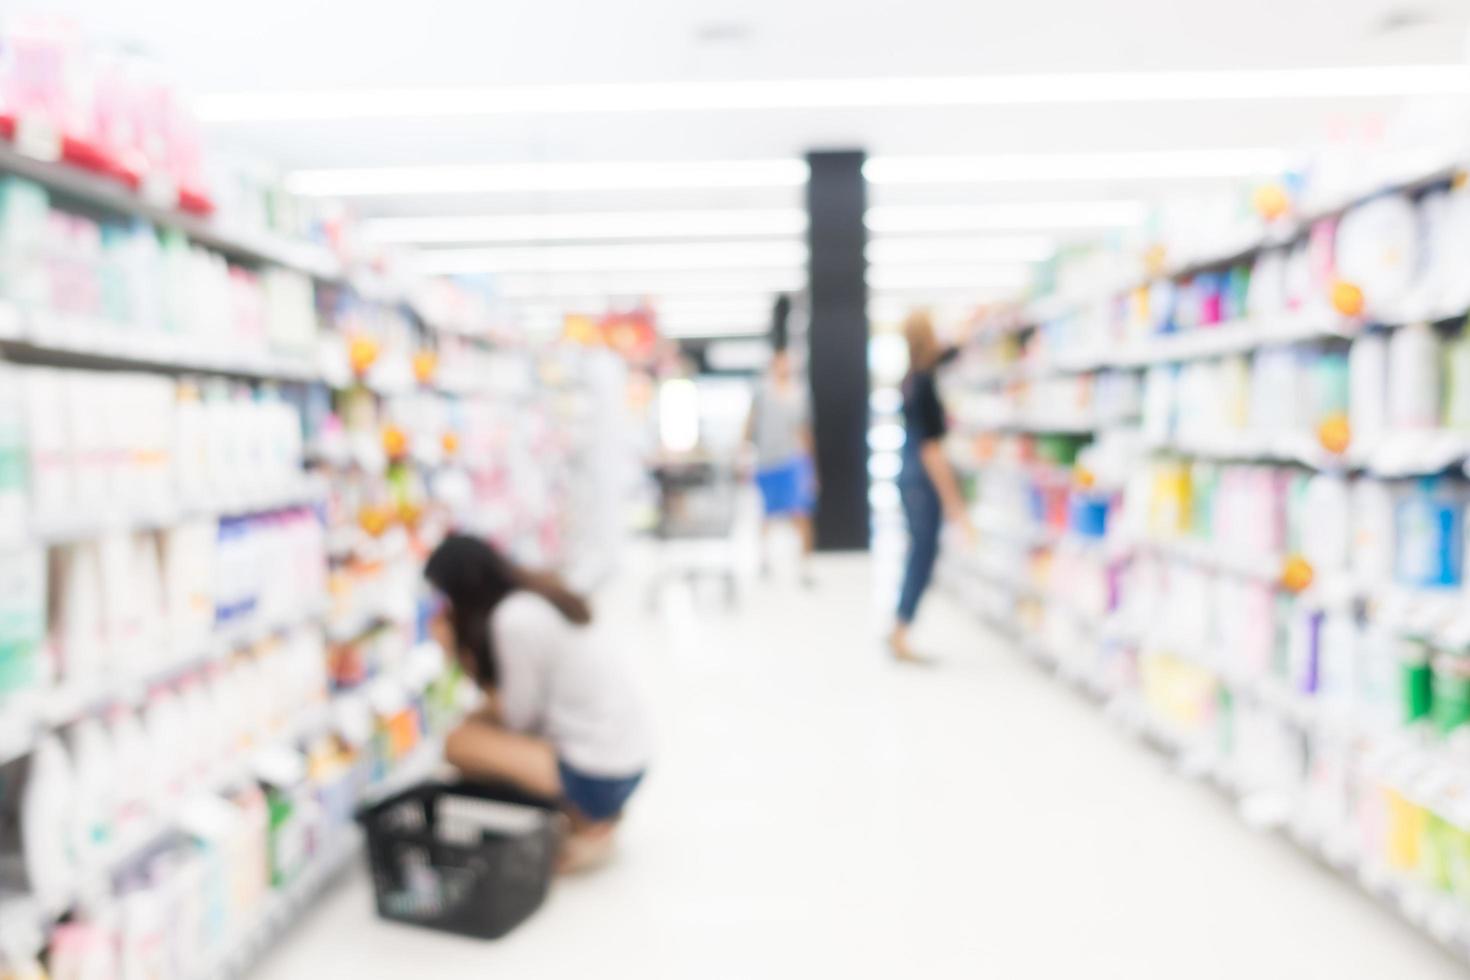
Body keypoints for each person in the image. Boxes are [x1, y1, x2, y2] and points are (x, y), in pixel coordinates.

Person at [424, 534, 652, 872]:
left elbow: (519, 719)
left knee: (458, 743)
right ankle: (589, 819)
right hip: (625, 757)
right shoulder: (534, 595)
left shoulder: (513, 620)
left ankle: (585, 823)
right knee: (474, 726)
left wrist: (456, 654)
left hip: (600, 772)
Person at [889, 310, 973, 663]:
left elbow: (949, 351)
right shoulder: (923, 383)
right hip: (923, 477)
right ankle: (901, 631)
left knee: (918, 552)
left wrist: (972, 324)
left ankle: (899, 628)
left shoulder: (913, 376)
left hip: (910, 472)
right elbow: (931, 449)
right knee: (922, 554)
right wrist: (954, 504)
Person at [747, 346, 817, 582]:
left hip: (791, 460)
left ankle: (805, 567)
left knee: (800, 513)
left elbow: (804, 431)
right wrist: (743, 453)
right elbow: (750, 423)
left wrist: (811, 468)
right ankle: (764, 560)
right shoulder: (762, 392)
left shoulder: (799, 394)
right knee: (767, 515)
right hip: (766, 461)